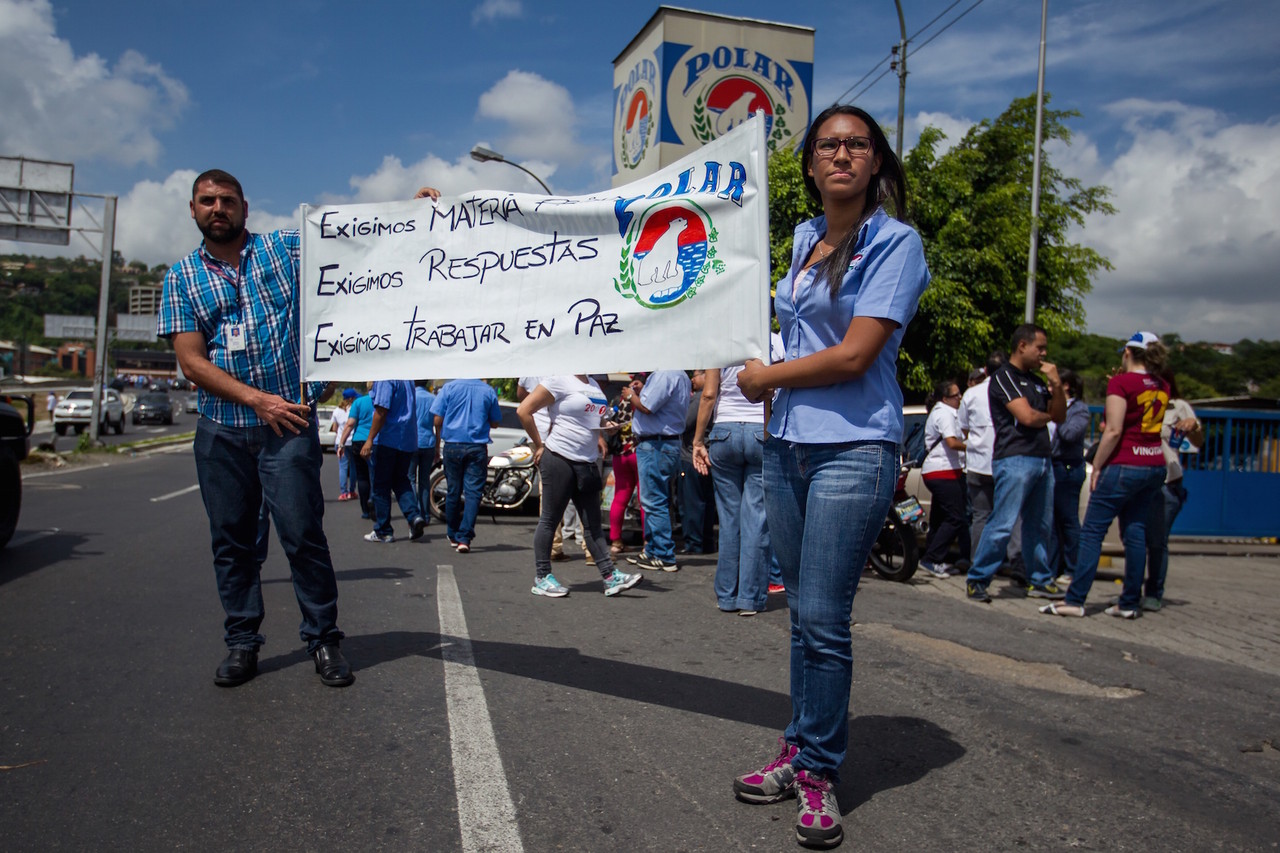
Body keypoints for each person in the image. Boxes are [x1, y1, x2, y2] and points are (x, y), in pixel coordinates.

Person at [732, 105, 929, 849]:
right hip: (786, 444)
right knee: (802, 617)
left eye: (857, 145)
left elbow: (852, 356)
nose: (842, 155)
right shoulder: (800, 238)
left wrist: (766, 377)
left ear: (875, 161)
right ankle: (799, 742)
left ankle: (817, 769)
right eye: (828, 145)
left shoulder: (897, 243)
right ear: (811, 164)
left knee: (821, 614)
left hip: (854, 446)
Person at [157, 168, 352, 688]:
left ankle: (324, 639)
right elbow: (191, 363)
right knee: (233, 541)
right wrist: (255, 401)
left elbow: (358, 232)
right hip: (222, 429)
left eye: (226, 200)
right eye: (206, 201)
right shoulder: (181, 277)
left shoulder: (285, 249)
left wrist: (418, 212)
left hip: (288, 426)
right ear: (192, 210)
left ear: (245, 207)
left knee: (302, 534)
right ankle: (242, 642)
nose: (217, 208)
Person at [1042, 332, 1170, 618]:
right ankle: (1128, 603)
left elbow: (1112, 430)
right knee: (1135, 532)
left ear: (1128, 352)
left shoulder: (1121, 382)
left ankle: (1075, 600)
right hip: (1154, 464)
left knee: (1091, 532)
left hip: (1125, 463)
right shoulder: (1161, 384)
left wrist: (1097, 465)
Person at [965, 325, 1067, 603]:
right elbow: (1028, 417)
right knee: (1003, 523)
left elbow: (1059, 415)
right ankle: (978, 578)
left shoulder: (1036, 381)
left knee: (1039, 525)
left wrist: (1056, 385)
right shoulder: (1004, 377)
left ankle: (1039, 579)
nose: (1044, 354)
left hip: (1042, 458)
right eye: (1040, 348)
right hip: (1015, 458)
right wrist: (1044, 415)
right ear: (1022, 345)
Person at [517, 375, 643, 598]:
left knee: (593, 525)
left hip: (586, 461)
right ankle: (542, 577)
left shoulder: (592, 384)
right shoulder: (558, 379)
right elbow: (523, 410)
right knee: (550, 519)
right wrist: (539, 444)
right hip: (559, 457)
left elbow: (593, 419)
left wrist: (607, 426)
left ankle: (610, 577)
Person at [691, 364, 770, 615]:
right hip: (760, 430)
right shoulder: (774, 343)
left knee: (728, 519)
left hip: (725, 431)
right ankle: (750, 598)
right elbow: (775, 392)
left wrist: (697, 441)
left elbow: (708, 395)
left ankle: (726, 596)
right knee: (756, 518)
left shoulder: (722, 348)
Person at [1142, 369, 1203, 611]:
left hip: (1166, 481)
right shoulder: (1134, 400)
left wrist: (1194, 426)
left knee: (1157, 541)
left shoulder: (1177, 406)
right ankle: (1130, 591)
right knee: (1134, 538)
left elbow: (1198, 441)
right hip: (1137, 478)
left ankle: (1154, 592)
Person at [624, 370, 691, 572]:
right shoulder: (679, 374)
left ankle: (663, 553)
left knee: (654, 500)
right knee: (655, 499)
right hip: (662, 443)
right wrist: (642, 391)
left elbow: (647, 406)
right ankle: (653, 549)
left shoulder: (665, 372)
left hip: (657, 444)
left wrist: (630, 395)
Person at [431, 378, 502, 553]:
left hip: (452, 445)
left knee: (453, 491)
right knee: (473, 493)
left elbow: (437, 420)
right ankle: (465, 538)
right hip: (476, 447)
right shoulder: (488, 391)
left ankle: (453, 533)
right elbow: (495, 422)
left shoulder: (448, 388)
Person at [361, 379, 428, 544]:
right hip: (407, 440)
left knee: (381, 486)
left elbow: (381, 411)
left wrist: (369, 439)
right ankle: (414, 517)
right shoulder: (407, 379)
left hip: (388, 439)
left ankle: (383, 530)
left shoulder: (387, 378)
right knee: (401, 481)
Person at [919, 379, 969, 578]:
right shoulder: (944, 414)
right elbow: (951, 442)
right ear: (944, 398)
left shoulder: (947, 412)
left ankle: (934, 558)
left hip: (946, 471)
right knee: (955, 517)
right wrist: (976, 447)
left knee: (940, 518)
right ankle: (931, 558)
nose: (959, 398)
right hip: (942, 471)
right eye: (955, 395)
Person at [958, 352, 1005, 557]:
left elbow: (964, 428)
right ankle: (1000, 561)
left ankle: (977, 561)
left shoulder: (971, 393)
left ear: (985, 370)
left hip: (977, 463)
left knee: (980, 516)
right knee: (1005, 516)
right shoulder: (1010, 391)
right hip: (1003, 461)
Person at [1048, 370, 1090, 583]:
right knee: (1053, 520)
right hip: (1052, 465)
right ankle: (1052, 567)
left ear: (1066, 386)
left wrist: (1060, 412)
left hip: (1067, 468)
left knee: (1068, 519)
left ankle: (1073, 568)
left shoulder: (1079, 410)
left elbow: (1069, 434)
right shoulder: (1052, 405)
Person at [679, 369, 716, 554]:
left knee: (693, 503)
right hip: (711, 455)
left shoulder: (702, 398)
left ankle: (695, 543)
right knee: (707, 502)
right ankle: (706, 542)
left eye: (696, 374)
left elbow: (684, 423)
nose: (692, 379)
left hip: (693, 456)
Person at [605, 379, 643, 555]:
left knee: (620, 497)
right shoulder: (640, 399)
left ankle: (616, 541)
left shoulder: (616, 401)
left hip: (620, 454)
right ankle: (648, 541)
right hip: (638, 452)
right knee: (645, 500)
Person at [338, 383, 375, 519]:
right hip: (376, 440)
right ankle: (374, 503)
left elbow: (350, 424)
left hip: (359, 440)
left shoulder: (359, 402)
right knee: (376, 475)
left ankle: (365, 509)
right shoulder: (381, 401)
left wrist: (341, 444)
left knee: (362, 477)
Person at [407, 380, 438, 522]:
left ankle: (414, 514)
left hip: (412, 441)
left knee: (410, 479)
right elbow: (438, 424)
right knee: (424, 480)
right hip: (429, 441)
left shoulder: (410, 396)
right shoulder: (433, 398)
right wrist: (437, 446)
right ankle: (425, 514)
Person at [330, 388, 357, 500]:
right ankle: (352, 491)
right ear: (351, 398)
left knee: (343, 467)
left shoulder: (337, 410)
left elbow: (335, 428)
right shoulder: (354, 408)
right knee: (354, 467)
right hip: (352, 441)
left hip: (340, 441)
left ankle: (343, 492)